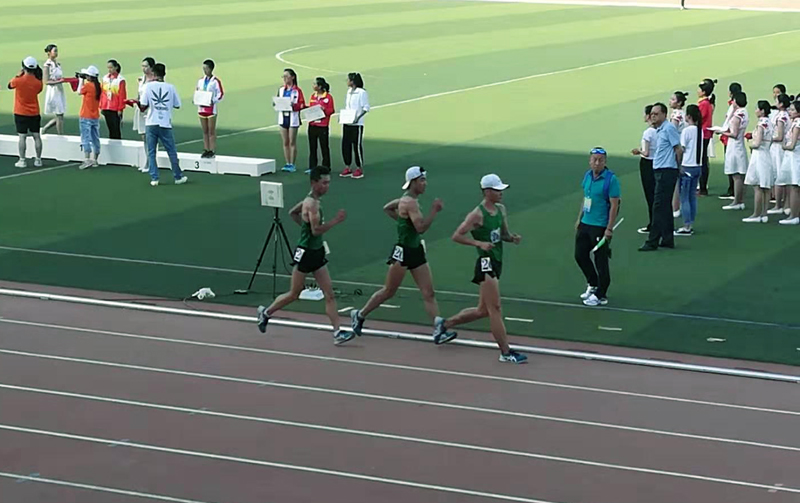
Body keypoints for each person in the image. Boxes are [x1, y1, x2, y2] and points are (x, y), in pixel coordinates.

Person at [349, 166, 457, 345]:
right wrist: (434, 210)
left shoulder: (406, 200)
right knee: (389, 291)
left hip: (416, 250)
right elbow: (420, 228)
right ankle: (359, 315)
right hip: (404, 251)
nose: (425, 184)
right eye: (422, 180)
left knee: (428, 292)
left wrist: (402, 221)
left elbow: (387, 208)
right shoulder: (410, 203)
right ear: (413, 182)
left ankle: (438, 330)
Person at [431, 174, 527, 364]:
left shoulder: (500, 210)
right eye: (497, 190)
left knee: (482, 310)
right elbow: (457, 235)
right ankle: (505, 352)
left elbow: (503, 234)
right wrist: (479, 243)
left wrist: (512, 238)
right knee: (495, 308)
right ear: (487, 191)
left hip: (497, 260)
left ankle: (444, 324)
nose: (501, 193)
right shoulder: (477, 214)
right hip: (485, 262)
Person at [256, 165, 353, 344]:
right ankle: (266, 312)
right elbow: (316, 231)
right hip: (306, 252)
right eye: (324, 183)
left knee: (329, 294)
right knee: (294, 293)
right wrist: (335, 221)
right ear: (314, 183)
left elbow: (293, 213)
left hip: (317, 251)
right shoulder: (312, 204)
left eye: (328, 183)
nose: (327, 186)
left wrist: (304, 228)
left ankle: (337, 332)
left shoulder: (309, 201)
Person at [575, 148, 620, 307]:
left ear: (605, 162)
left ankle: (601, 294)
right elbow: (585, 198)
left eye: (600, 160)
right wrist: (579, 218)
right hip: (586, 223)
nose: (597, 162)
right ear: (590, 161)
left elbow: (614, 205)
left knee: (601, 261)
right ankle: (593, 283)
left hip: (600, 225)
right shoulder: (588, 176)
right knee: (580, 255)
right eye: (594, 159)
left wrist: (609, 228)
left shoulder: (611, 180)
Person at [640, 103, 682, 251]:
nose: (653, 116)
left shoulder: (668, 128)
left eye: (656, 114)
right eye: (652, 114)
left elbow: (678, 149)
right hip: (662, 170)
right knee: (664, 207)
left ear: (664, 114)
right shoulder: (660, 130)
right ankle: (667, 239)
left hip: (666, 170)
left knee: (658, 206)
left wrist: (678, 167)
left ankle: (653, 240)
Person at [138, 63, 187, 187]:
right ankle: (178, 176)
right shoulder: (171, 87)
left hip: (151, 122)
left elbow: (143, 104)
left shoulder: (148, 87)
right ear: (164, 73)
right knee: (171, 151)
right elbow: (177, 104)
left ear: (153, 73)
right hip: (165, 123)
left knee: (151, 152)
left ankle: (154, 178)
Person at [8, 57, 44, 169]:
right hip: (34, 112)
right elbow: (38, 90)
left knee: (22, 137)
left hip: (21, 112)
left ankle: (22, 160)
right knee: (36, 136)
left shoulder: (18, 80)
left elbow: (10, 85)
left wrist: (18, 75)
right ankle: (38, 159)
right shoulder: (38, 82)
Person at [743, 101, 775, 223]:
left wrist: (750, 145)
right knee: (765, 186)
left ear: (762, 111)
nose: (756, 110)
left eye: (757, 109)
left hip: (759, 156)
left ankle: (756, 214)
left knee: (757, 186)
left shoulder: (761, 124)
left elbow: (757, 143)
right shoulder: (770, 123)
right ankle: (764, 213)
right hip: (767, 154)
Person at [717, 92, 749, 210]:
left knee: (736, 175)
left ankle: (737, 201)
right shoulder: (744, 112)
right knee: (740, 174)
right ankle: (740, 200)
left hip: (734, 146)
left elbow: (734, 134)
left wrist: (721, 132)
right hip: (739, 145)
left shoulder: (737, 115)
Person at [676, 104, 703, 235]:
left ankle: (687, 225)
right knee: (692, 197)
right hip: (697, 166)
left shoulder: (687, 131)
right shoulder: (699, 130)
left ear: (688, 116)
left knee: (684, 198)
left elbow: (682, 149)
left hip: (687, 166)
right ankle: (690, 222)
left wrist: (678, 164)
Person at [340, 72, 369, 179]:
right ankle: (347, 166)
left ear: (353, 81)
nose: (347, 81)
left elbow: (366, 108)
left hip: (357, 124)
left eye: (348, 79)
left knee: (356, 145)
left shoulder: (361, 92)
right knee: (345, 144)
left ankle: (359, 167)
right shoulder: (349, 92)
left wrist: (357, 117)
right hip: (347, 122)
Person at [631, 104, 656, 234]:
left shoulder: (648, 132)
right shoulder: (661, 130)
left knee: (650, 195)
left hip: (647, 163)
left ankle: (653, 223)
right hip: (658, 163)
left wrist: (638, 151)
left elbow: (646, 153)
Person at [768, 93, 793, 216]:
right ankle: (786, 204)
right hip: (780, 148)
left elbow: (780, 136)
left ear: (781, 104)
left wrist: (768, 138)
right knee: (783, 177)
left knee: (778, 176)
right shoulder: (786, 115)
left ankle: (778, 205)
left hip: (778, 149)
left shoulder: (781, 117)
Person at [277, 68, 304, 172]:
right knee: (285, 142)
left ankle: (292, 164)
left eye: (286, 76)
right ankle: (287, 163)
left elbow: (301, 104)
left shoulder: (297, 90)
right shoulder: (281, 90)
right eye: (283, 76)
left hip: (293, 118)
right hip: (283, 118)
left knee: (292, 142)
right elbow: (277, 101)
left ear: (292, 77)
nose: (284, 78)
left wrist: (293, 106)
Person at [719, 82, 743, 200]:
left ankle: (733, 190)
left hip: (730, 138)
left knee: (733, 166)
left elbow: (729, 122)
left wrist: (722, 131)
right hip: (730, 137)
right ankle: (733, 190)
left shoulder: (735, 109)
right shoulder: (737, 108)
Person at [778, 101, 800, 225]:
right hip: (794, 157)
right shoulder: (794, 123)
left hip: (795, 157)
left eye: (792, 110)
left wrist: (784, 146)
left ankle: (794, 215)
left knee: (795, 187)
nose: (790, 112)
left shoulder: (797, 124)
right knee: (794, 186)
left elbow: (792, 145)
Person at [196, 59, 224, 158]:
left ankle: (212, 150)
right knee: (205, 131)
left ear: (211, 69)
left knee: (211, 131)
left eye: (206, 68)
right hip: (202, 108)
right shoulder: (200, 81)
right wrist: (196, 99)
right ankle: (206, 149)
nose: (205, 70)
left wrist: (214, 100)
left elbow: (220, 94)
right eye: (203, 68)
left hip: (211, 109)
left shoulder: (215, 81)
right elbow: (197, 91)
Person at [306, 77, 334, 174]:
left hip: (322, 126)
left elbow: (331, 110)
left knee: (324, 147)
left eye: (315, 84)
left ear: (320, 86)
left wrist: (324, 109)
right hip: (312, 125)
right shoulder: (313, 96)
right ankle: (312, 167)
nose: (313, 86)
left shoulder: (328, 97)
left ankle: (326, 167)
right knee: (312, 147)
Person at [133, 57, 156, 173]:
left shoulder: (155, 80)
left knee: (150, 136)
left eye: (146, 66)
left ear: (151, 67)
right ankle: (148, 160)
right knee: (144, 136)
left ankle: (150, 162)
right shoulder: (141, 79)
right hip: (141, 109)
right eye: (142, 66)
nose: (144, 68)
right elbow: (139, 94)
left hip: (150, 110)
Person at [76, 66, 102, 169]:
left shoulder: (88, 86)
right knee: (95, 138)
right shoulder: (98, 86)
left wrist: (80, 80)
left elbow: (79, 91)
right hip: (95, 116)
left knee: (85, 137)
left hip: (86, 115)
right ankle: (95, 159)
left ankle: (87, 159)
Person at [697, 78, 717, 196]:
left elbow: (699, 118)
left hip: (703, 134)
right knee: (703, 159)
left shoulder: (704, 104)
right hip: (705, 133)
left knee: (702, 160)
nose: (698, 91)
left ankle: (703, 187)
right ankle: (702, 186)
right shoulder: (707, 103)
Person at [670, 91, 688, 217]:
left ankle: (675, 208)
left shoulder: (676, 115)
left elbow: (672, 132)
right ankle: (678, 206)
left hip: (676, 148)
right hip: (683, 147)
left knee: (675, 178)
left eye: (673, 99)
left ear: (679, 102)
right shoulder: (683, 114)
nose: (670, 101)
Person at [41, 44, 66, 135]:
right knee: (59, 115)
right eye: (54, 51)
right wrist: (58, 81)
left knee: (60, 115)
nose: (56, 53)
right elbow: (46, 81)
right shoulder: (47, 65)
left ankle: (45, 128)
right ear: (49, 53)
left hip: (59, 90)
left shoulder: (57, 64)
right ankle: (60, 134)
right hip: (53, 91)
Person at [100, 59, 126, 140]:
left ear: (116, 67)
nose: (109, 69)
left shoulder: (120, 80)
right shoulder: (105, 78)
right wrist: (101, 105)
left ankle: (117, 144)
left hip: (115, 108)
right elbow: (102, 93)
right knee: (110, 128)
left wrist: (120, 109)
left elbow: (122, 95)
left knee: (116, 129)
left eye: (111, 67)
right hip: (106, 107)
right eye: (108, 68)